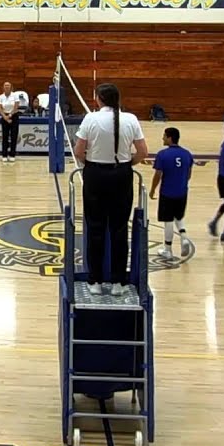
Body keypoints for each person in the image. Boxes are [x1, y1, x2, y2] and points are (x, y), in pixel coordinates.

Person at [72, 83, 147, 296]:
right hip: (122, 176)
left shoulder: (91, 118)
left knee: (95, 227)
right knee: (120, 228)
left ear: (99, 99)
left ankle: (94, 280)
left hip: (95, 175)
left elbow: (79, 151)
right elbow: (143, 152)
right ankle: (119, 282)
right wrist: (125, 164)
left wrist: (94, 163)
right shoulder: (131, 119)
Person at [149, 127, 193, 260]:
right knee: (178, 217)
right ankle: (184, 237)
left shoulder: (162, 155)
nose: (162, 138)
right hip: (182, 192)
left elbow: (158, 175)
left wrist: (152, 190)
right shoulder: (187, 154)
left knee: (168, 220)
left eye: (164, 136)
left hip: (167, 192)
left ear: (169, 137)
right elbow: (189, 174)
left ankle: (168, 249)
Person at [0, 81, 21, 163]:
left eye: (8, 85)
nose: (7, 87)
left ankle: (12, 154)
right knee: (5, 136)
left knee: (14, 136)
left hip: (14, 116)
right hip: (4, 116)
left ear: (11, 87)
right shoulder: (0, 97)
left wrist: (10, 115)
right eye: (5, 85)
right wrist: (5, 117)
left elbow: (16, 106)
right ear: (3, 87)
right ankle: (4, 154)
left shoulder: (15, 95)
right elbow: (0, 108)